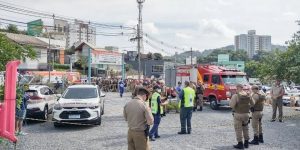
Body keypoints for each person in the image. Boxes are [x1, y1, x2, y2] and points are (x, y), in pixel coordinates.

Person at [230, 84, 254, 149]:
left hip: (238, 114)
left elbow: (231, 105)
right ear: (242, 88)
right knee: (246, 128)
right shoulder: (248, 95)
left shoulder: (235, 95)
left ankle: (240, 144)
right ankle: (246, 143)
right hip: (246, 114)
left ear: (237, 88)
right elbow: (253, 103)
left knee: (238, 129)